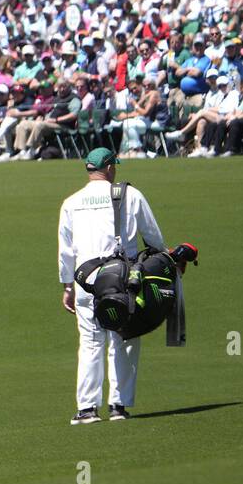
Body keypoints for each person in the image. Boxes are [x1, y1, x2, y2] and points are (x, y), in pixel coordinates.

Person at [57, 147, 166, 425]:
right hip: (123, 280)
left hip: (86, 281)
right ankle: (118, 406)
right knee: (124, 338)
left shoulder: (71, 202)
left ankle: (87, 409)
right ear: (109, 167)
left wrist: (67, 286)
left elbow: (66, 252)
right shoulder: (131, 195)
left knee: (91, 342)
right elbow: (153, 239)